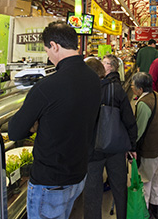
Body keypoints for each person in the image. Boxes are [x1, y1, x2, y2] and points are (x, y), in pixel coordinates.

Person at [8, 22, 101, 219]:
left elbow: (15, 132)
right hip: (78, 173)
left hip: (50, 182)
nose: (48, 56)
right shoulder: (94, 79)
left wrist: (35, 126)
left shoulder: (46, 87)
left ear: (55, 46)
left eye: (47, 50)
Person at [84, 54, 137, 219]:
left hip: (91, 150)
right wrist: (132, 147)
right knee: (120, 188)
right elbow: (129, 120)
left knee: (92, 194)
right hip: (115, 147)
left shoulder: (82, 90)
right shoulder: (116, 89)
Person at [131, 72, 158, 219]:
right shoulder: (155, 95)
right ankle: (156, 207)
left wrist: (130, 147)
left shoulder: (143, 104)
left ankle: (145, 211)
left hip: (151, 149)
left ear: (140, 89)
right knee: (156, 178)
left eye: (133, 86)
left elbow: (139, 130)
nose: (132, 88)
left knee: (145, 182)